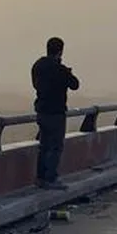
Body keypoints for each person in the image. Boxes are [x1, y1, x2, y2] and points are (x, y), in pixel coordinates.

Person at [32, 37, 80, 190]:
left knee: (44, 146)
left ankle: (40, 178)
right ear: (60, 51)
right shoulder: (60, 69)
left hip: (41, 111)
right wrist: (66, 72)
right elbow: (75, 84)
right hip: (56, 113)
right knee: (55, 147)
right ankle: (50, 179)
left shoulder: (38, 66)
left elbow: (36, 84)